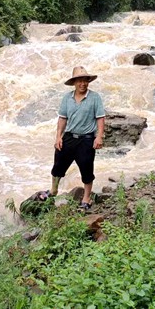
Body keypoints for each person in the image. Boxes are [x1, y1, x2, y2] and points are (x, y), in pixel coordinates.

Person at [39, 66, 105, 210]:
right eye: (80, 81)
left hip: (86, 140)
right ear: (74, 82)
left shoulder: (95, 98)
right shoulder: (67, 98)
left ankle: (86, 198)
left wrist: (99, 137)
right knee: (58, 166)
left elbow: (100, 119)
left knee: (87, 169)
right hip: (69, 137)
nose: (83, 84)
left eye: (85, 81)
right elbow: (62, 119)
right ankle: (53, 190)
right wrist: (58, 137)